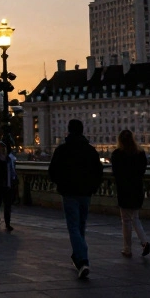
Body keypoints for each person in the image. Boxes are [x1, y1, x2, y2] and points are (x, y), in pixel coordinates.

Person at [47, 119, 104, 280]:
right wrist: (92, 187)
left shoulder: (62, 150)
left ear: (69, 130)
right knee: (81, 226)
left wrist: (61, 184)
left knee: (73, 227)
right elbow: (99, 172)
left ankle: (83, 260)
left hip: (69, 193)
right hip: (86, 193)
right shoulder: (90, 150)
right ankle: (77, 257)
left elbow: (52, 171)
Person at [111, 129, 150, 258]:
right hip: (137, 188)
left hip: (124, 189)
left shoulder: (117, 154)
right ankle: (141, 242)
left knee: (126, 220)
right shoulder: (140, 153)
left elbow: (115, 172)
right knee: (135, 217)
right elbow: (142, 170)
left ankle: (130, 247)